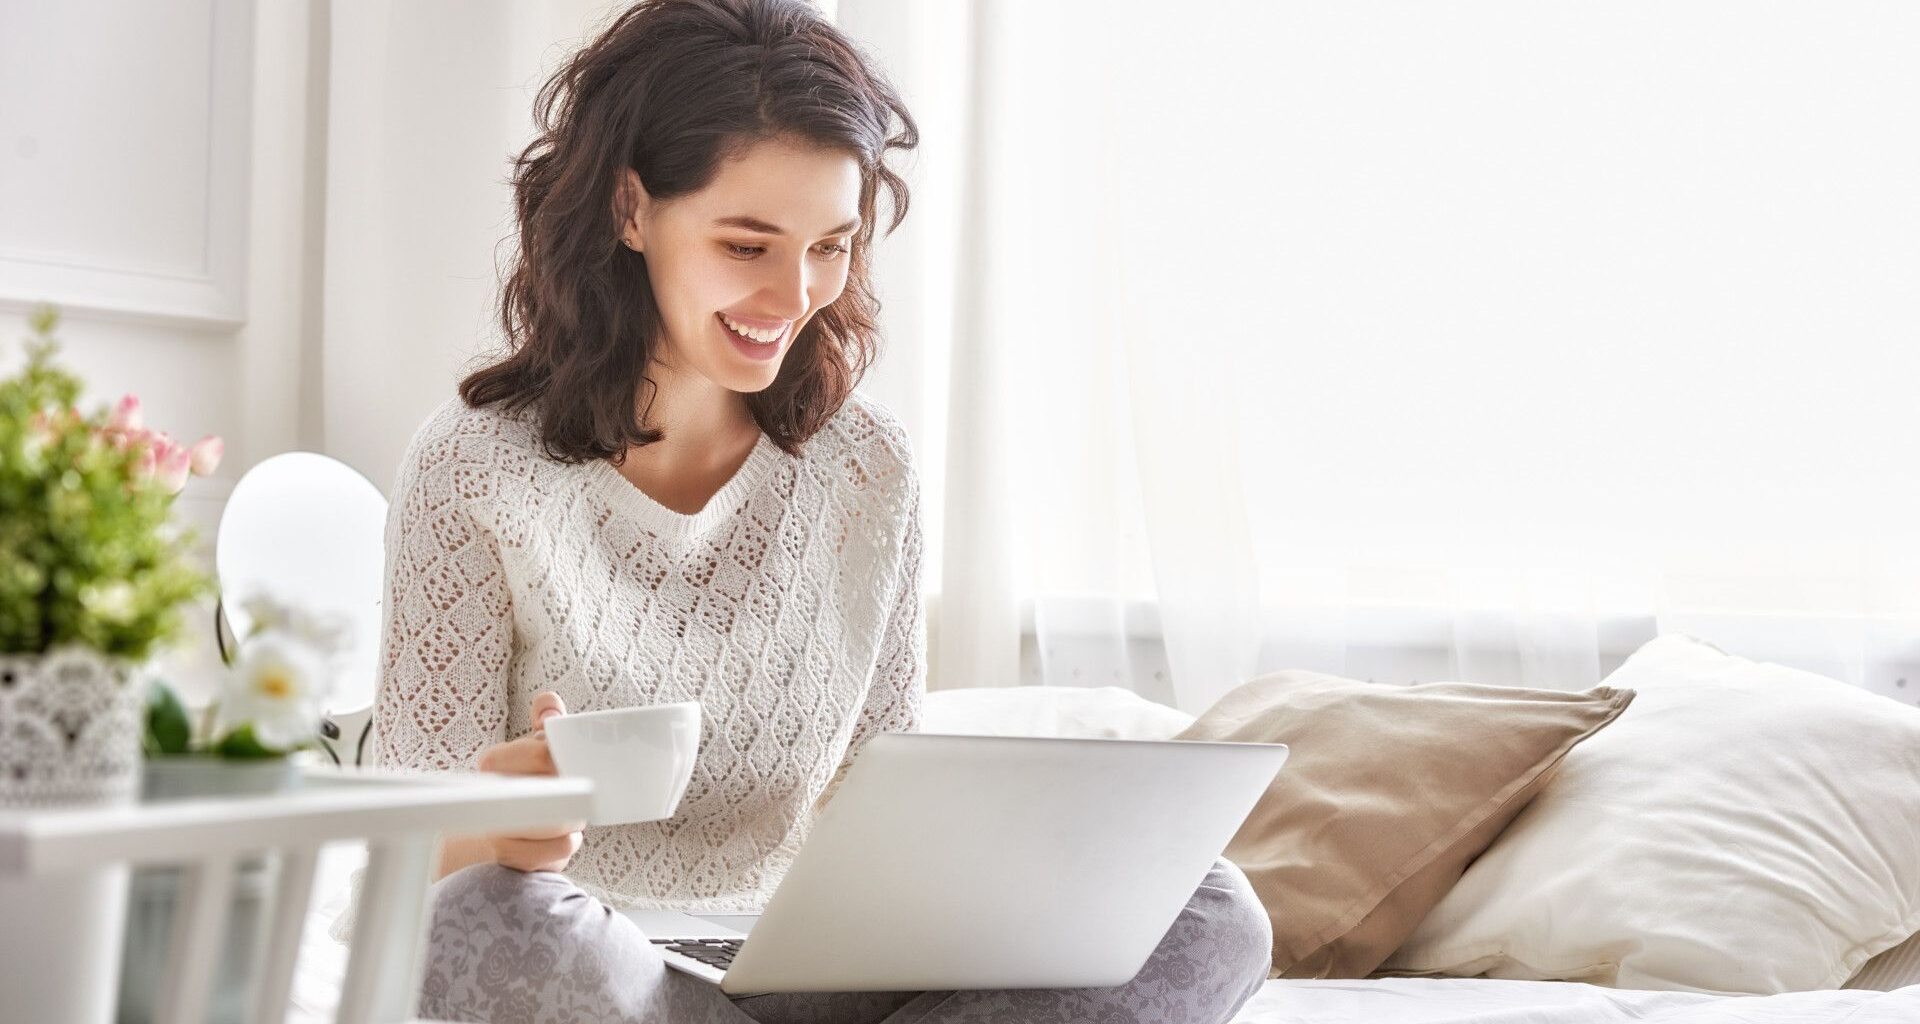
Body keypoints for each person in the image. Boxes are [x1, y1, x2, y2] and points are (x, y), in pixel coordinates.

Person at [372, 1, 1273, 1021]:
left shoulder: (868, 472)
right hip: (601, 965)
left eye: (830, 247)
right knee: (478, 928)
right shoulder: (476, 463)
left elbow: (876, 807)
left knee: (1210, 906)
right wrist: (499, 823)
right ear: (632, 211)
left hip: (814, 965)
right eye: (747, 245)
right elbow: (411, 873)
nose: (791, 294)